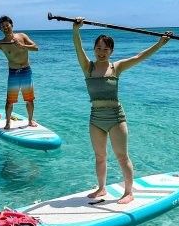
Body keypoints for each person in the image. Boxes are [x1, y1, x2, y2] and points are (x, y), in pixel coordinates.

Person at [72, 17, 173, 204]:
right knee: (100, 156)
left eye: (106, 49)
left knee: (121, 156)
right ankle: (101, 188)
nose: (101, 52)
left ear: (111, 51)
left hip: (116, 117)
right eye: (98, 48)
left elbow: (139, 57)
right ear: (94, 49)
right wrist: (76, 30)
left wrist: (160, 43)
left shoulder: (116, 67)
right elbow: (78, 48)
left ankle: (128, 192)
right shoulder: (88, 67)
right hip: (96, 118)